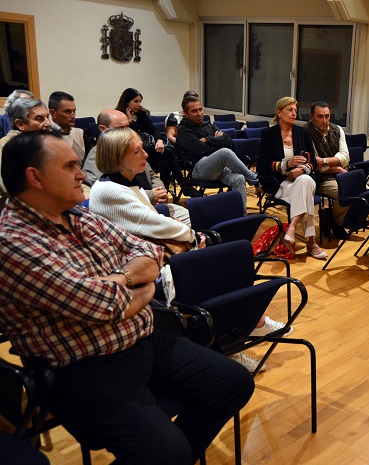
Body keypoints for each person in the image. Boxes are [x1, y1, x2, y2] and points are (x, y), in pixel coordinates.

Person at [0, 130, 254, 464]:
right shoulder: (13, 242)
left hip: (143, 338)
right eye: (71, 166)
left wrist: (120, 280)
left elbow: (147, 249)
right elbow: (103, 303)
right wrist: (136, 285)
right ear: (35, 177)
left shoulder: (78, 215)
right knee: (167, 451)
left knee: (234, 383)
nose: (81, 174)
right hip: (85, 366)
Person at [90, 127, 283, 372]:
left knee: (224, 264)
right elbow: (152, 223)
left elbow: (151, 224)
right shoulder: (108, 190)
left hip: (151, 257)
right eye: (137, 151)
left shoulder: (123, 185)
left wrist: (192, 238)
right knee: (215, 269)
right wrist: (193, 235)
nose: (146, 155)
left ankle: (234, 339)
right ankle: (234, 339)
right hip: (141, 270)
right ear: (118, 157)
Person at [83, 109, 191, 225]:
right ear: (103, 129)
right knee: (190, 226)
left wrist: (160, 192)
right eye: (121, 128)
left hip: (153, 205)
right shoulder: (97, 156)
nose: (127, 131)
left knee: (196, 216)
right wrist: (150, 195)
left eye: (128, 126)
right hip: (129, 215)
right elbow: (108, 196)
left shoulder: (134, 149)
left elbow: (152, 175)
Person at [259, 96, 327, 260]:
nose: (294, 113)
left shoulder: (302, 132)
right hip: (279, 183)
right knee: (307, 193)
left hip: (300, 180)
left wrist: (301, 170)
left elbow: (312, 162)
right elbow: (262, 164)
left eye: (295, 110)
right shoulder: (269, 134)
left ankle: (292, 228)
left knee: (304, 181)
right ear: (279, 112)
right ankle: (311, 242)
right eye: (290, 110)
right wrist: (286, 165)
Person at [176, 95, 259, 213]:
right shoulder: (183, 130)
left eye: (200, 109)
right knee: (224, 152)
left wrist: (207, 140)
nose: (199, 113)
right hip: (198, 169)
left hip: (219, 167)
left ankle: (240, 215)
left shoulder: (207, 125)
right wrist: (216, 141)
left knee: (239, 178)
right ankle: (253, 178)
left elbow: (227, 141)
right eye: (194, 111)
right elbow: (200, 149)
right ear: (186, 113)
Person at [116, 88, 201, 199]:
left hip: (151, 149)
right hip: (135, 152)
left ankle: (162, 193)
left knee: (166, 163)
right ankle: (183, 185)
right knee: (169, 153)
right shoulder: (120, 117)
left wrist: (159, 140)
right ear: (127, 102)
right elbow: (125, 137)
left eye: (140, 101)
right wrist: (129, 121)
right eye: (136, 101)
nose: (139, 104)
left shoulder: (142, 114)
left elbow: (154, 130)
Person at [304, 101, 350, 239]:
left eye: (327, 116)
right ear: (311, 117)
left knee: (364, 190)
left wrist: (324, 161)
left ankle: (331, 218)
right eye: (320, 117)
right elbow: (314, 164)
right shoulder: (305, 132)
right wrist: (337, 166)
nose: (325, 120)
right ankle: (337, 223)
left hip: (340, 174)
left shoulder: (337, 129)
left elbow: (345, 157)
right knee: (345, 192)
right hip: (320, 178)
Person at [0, 98, 52, 200]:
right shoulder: (4, 146)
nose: (48, 123)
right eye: (39, 118)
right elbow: (11, 189)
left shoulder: (44, 142)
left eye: (47, 117)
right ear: (20, 124)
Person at [48, 91, 91, 164]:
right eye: (67, 112)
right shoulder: (45, 135)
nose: (73, 116)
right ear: (53, 113)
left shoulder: (79, 133)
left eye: (74, 111)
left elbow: (91, 160)